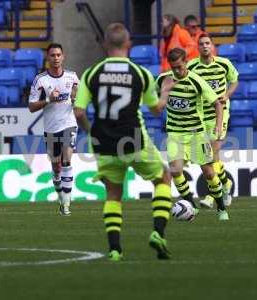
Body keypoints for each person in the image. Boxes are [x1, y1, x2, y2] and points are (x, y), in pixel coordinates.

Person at [74, 23, 172, 261]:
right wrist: (167, 90)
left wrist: (91, 132)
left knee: (113, 194)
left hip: (103, 142)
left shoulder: (91, 73)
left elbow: (78, 112)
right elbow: (157, 109)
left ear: (105, 45)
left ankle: (115, 249)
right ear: (129, 44)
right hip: (133, 139)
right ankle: (158, 232)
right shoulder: (140, 73)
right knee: (164, 177)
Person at [156, 47, 229, 221]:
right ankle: (191, 205)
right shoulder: (163, 80)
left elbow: (217, 104)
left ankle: (221, 208)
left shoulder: (197, 81)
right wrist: (163, 94)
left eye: (180, 67)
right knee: (175, 170)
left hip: (197, 134)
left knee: (209, 173)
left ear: (186, 63)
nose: (177, 71)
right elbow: (152, 100)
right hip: (175, 133)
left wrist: (218, 125)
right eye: (173, 67)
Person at [187, 33, 239, 208]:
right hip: (202, 117)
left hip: (220, 114)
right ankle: (226, 184)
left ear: (212, 46)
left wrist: (227, 94)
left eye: (207, 43)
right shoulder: (192, 66)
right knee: (213, 157)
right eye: (201, 44)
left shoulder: (224, 64)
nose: (205, 46)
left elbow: (234, 81)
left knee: (210, 154)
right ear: (198, 47)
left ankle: (212, 194)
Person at [28, 43, 79, 216]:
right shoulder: (40, 80)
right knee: (56, 168)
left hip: (69, 124)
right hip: (50, 128)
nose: (56, 58)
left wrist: (75, 98)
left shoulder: (72, 77)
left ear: (63, 57)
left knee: (66, 161)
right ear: (47, 58)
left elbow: (78, 98)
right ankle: (61, 197)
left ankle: (66, 204)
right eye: (52, 55)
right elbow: (31, 107)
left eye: (58, 55)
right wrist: (49, 100)